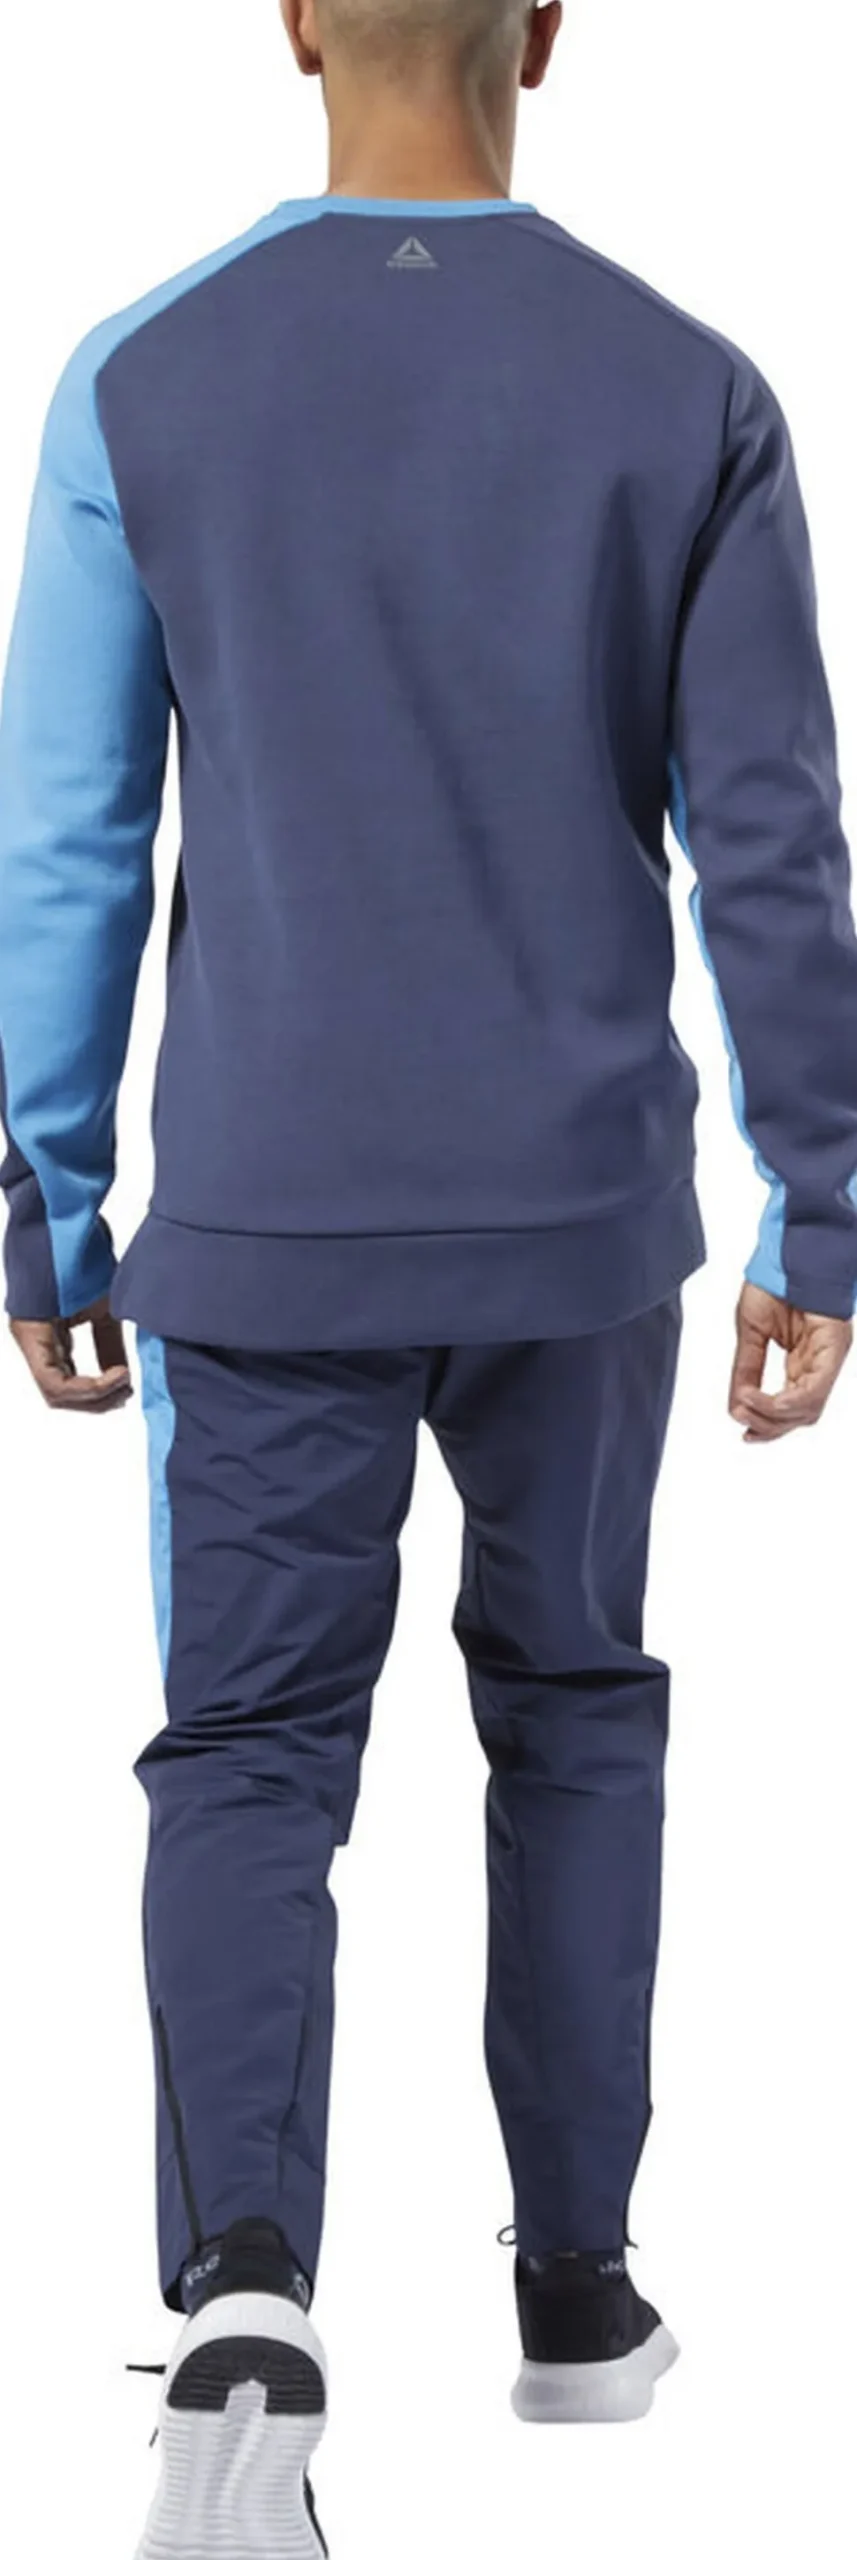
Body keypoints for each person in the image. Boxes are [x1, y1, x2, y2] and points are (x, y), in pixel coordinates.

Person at [1, 0, 855, 2544]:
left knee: (250, 1745)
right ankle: (576, 2297)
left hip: (263, 1218)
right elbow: (771, 839)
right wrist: (817, 1199)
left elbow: (71, 835)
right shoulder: (683, 384)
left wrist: (46, 1188)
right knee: (571, 1709)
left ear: (290, 18)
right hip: (576, 1223)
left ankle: (244, 2302)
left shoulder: (140, 376)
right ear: (546, 30)